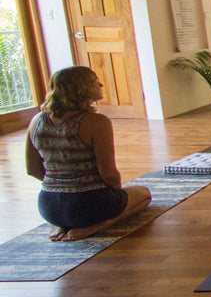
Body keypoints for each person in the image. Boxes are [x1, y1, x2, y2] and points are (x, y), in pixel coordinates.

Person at [25, 66, 152, 241]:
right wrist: (115, 195)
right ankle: (96, 226)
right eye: (94, 82)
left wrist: (61, 185)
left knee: (75, 208)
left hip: (49, 206)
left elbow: (32, 169)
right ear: (81, 88)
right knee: (144, 195)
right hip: (88, 204)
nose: (100, 85)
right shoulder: (95, 122)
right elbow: (108, 174)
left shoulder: (36, 121)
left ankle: (61, 225)